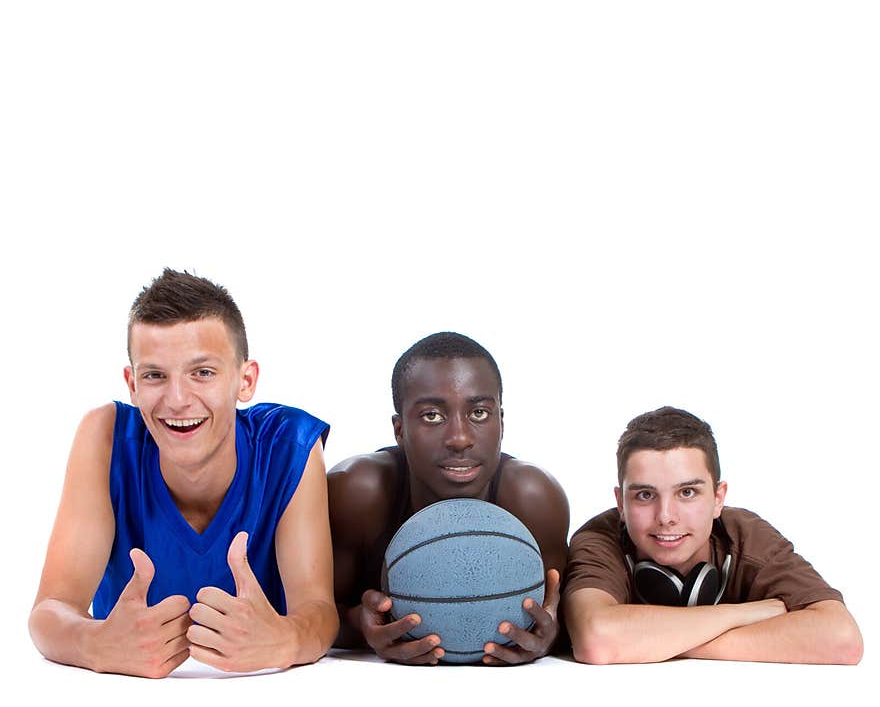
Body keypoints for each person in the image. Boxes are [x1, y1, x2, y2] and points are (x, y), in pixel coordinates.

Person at [29, 269, 338, 677]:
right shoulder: (104, 437)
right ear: (132, 384)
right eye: (155, 375)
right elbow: (49, 611)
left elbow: (319, 610)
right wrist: (95, 644)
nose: (177, 400)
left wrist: (288, 639)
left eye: (202, 373)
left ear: (245, 380)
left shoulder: (289, 444)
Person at [329, 332, 569, 666]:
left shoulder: (533, 499)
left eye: (480, 413)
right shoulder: (359, 493)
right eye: (432, 416)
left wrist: (550, 635)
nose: (459, 438)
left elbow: (561, 616)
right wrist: (361, 624)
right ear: (399, 430)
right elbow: (306, 611)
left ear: (502, 421)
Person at [563, 406, 863, 665]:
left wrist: (657, 642)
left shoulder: (747, 537)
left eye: (687, 492)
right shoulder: (598, 539)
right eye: (644, 495)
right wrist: (739, 615)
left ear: (718, 498)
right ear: (621, 504)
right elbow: (597, 638)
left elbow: (842, 638)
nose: (666, 516)